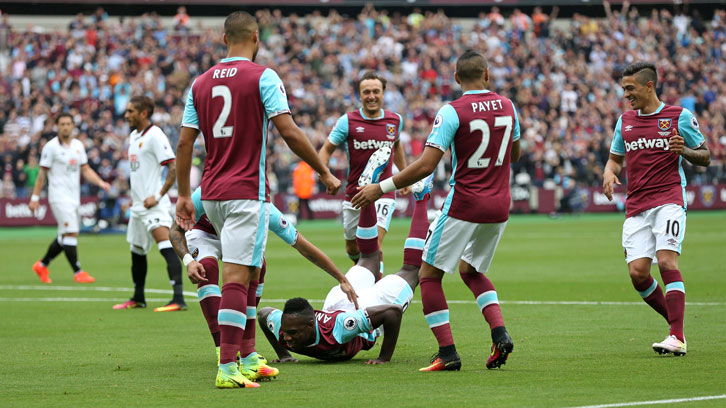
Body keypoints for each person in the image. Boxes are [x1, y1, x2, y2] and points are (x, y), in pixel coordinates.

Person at [175, 11, 341, 389]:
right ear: (255, 37)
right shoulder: (263, 76)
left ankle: (248, 358)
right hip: (245, 191)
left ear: (223, 39)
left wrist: (185, 195)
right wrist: (323, 171)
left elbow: (185, 142)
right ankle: (227, 367)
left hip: (212, 192)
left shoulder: (200, 83)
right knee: (236, 278)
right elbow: (289, 131)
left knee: (251, 272)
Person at [353, 50, 521, 372]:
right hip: (500, 204)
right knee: (471, 271)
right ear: (487, 74)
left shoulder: (452, 111)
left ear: (457, 79)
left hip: (465, 203)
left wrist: (381, 187)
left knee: (428, 275)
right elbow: (514, 152)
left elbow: (427, 165)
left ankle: (447, 353)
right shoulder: (508, 106)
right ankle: (499, 333)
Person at [168, 186, 358, 381]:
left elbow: (303, 246)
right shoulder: (207, 191)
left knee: (258, 265)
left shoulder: (264, 207)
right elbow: (174, 230)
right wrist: (188, 261)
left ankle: (245, 350)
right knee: (206, 267)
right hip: (203, 235)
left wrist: (341, 278)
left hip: (234, 237)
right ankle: (223, 349)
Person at [258, 174, 434, 364]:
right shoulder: (285, 328)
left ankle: (421, 197)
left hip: (362, 306)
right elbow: (263, 314)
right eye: (285, 332)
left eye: (292, 333)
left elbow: (392, 312)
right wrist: (284, 355)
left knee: (412, 269)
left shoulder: (339, 330)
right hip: (338, 301)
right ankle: (367, 188)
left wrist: (384, 358)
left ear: (310, 325)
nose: (287, 338)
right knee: (368, 258)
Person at [602, 62, 710, 356]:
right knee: (638, 273)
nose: (626, 94)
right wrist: (609, 173)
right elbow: (615, 159)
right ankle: (677, 327)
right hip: (636, 205)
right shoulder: (625, 121)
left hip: (669, 199)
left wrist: (684, 151)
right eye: (624, 88)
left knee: (665, 263)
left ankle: (676, 335)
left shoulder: (679, 117)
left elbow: (706, 156)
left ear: (649, 86)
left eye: (630, 88)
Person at [318, 71, 409, 266]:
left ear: (384, 93)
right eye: (366, 92)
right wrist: (325, 174)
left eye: (376, 91)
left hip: (383, 192)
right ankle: (363, 271)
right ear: (359, 95)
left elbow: (397, 145)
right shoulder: (347, 122)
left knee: (375, 243)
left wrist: (403, 175)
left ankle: (373, 290)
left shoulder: (395, 121)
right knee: (353, 248)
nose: (371, 96)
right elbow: (325, 150)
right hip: (355, 193)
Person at [112, 96, 185, 312]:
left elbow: (172, 167)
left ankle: (178, 299)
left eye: (131, 111)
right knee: (137, 250)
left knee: (166, 245)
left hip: (154, 204)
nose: (126, 116)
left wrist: (159, 195)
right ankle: (138, 298)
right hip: (138, 206)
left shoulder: (155, 135)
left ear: (144, 113)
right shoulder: (134, 136)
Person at [29, 113, 110, 284]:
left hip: (74, 197)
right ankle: (78, 272)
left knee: (64, 235)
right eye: (62, 124)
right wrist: (35, 197)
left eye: (68, 124)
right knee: (71, 232)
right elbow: (42, 175)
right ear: (57, 126)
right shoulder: (50, 148)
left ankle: (42, 265)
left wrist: (101, 182)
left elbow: (86, 170)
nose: (65, 127)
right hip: (58, 196)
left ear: (73, 126)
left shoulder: (78, 146)